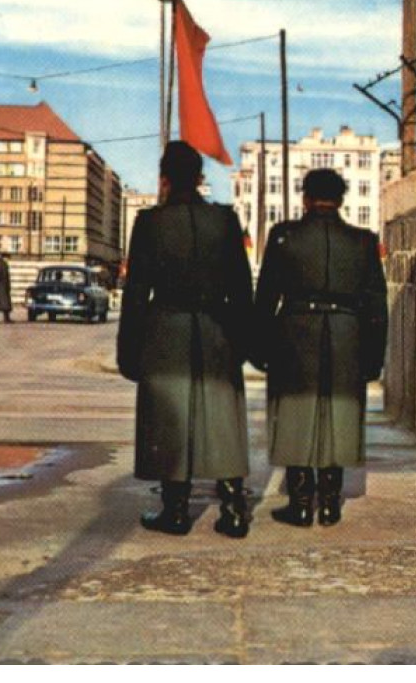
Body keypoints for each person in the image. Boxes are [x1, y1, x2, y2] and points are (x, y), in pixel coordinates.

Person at [116, 140, 253, 538]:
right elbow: (242, 288)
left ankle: (175, 511)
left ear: (164, 178)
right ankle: (233, 509)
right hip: (217, 327)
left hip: (166, 327)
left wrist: (129, 351)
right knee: (223, 418)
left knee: (169, 420)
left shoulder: (149, 223)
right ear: (199, 178)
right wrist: (242, 340)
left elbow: (136, 293)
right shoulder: (225, 221)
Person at [252, 168, 388, 527]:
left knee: (296, 414)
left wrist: (259, 346)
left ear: (306, 198)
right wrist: (374, 357)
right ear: (341, 200)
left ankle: (299, 503)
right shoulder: (363, 241)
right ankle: (329, 503)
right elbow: (377, 304)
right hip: (347, 332)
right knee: (337, 415)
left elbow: (266, 297)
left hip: (295, 329)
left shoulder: (284, 236)